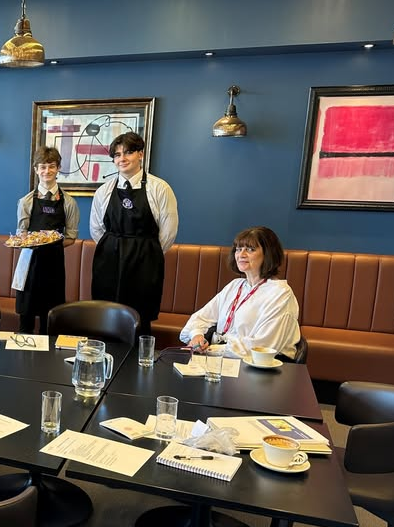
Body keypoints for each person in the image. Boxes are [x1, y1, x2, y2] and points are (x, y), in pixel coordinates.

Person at [89, 131, 178, 336]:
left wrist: (147, 251)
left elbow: (168, 231)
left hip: (145, 258)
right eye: (117, 155)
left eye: (128, 152)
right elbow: (96, 229)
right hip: (109, 257)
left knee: (140, 315)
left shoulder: (160, 188)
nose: (122, 158)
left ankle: (139, 356)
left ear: (140, 154)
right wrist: (115, 245)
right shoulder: (104, 190)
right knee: (106, 312)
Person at [179, 226, 300, 360]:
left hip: (262, 365)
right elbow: (200, 318)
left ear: (268, 254)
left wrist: (212, 349)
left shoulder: (280, 293)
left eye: (250, 249)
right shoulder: (235, 285)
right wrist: (197, 336)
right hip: (223, 359)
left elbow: (262, 347)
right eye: (238, 249)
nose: (241, 255)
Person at [14, 146, 80, 334]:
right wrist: (32, 241)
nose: (47, 171)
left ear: (58, 168)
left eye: (51, 166)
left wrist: (51, 243)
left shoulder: (69, 203)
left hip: (54, 266)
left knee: (50, 321)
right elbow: (22, 234)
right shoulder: (26, 201)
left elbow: (71, 237)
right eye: (42, 167)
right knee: (25, 320)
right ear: (36, 170)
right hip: (29, 263)